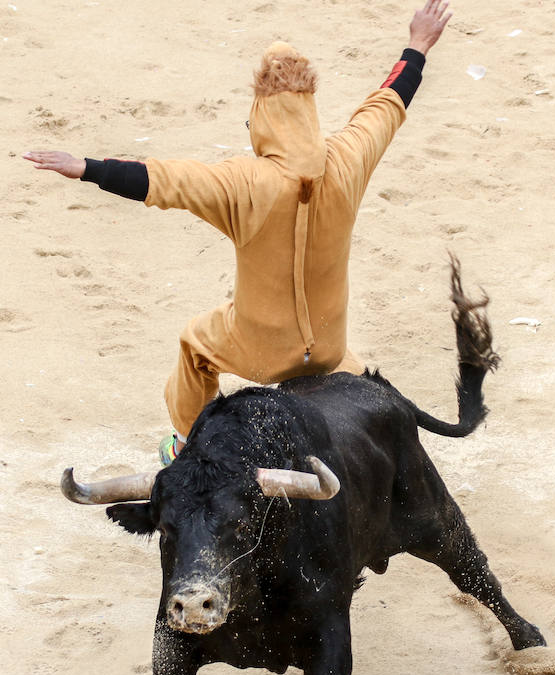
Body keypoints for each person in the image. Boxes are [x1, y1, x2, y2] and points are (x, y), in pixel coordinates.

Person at [24, 0, 451, 465]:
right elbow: (387, 103)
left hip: (260, 350)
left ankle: (187, 445)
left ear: (263, 121)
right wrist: (418, 43)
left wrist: (86, 167)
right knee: (349, 363)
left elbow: (161, 180)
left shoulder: (244, 184)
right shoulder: (348, 159)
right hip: (328, 348)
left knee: (196, 343)